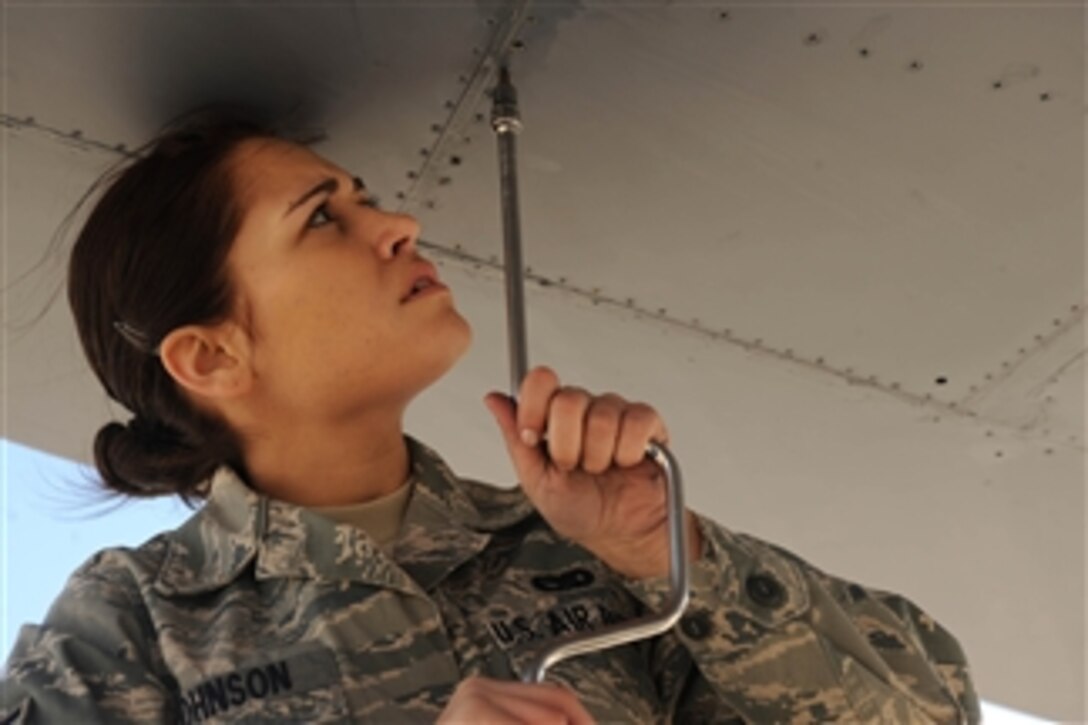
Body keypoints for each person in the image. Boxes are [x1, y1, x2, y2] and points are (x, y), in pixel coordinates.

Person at [1, 115, 981, 723]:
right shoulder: (133, 626)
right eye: (319, 219)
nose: (398, 225)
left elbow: (933, 712)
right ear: (210, 355)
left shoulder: (571, 550)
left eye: (364, 199)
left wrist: (667, 549)